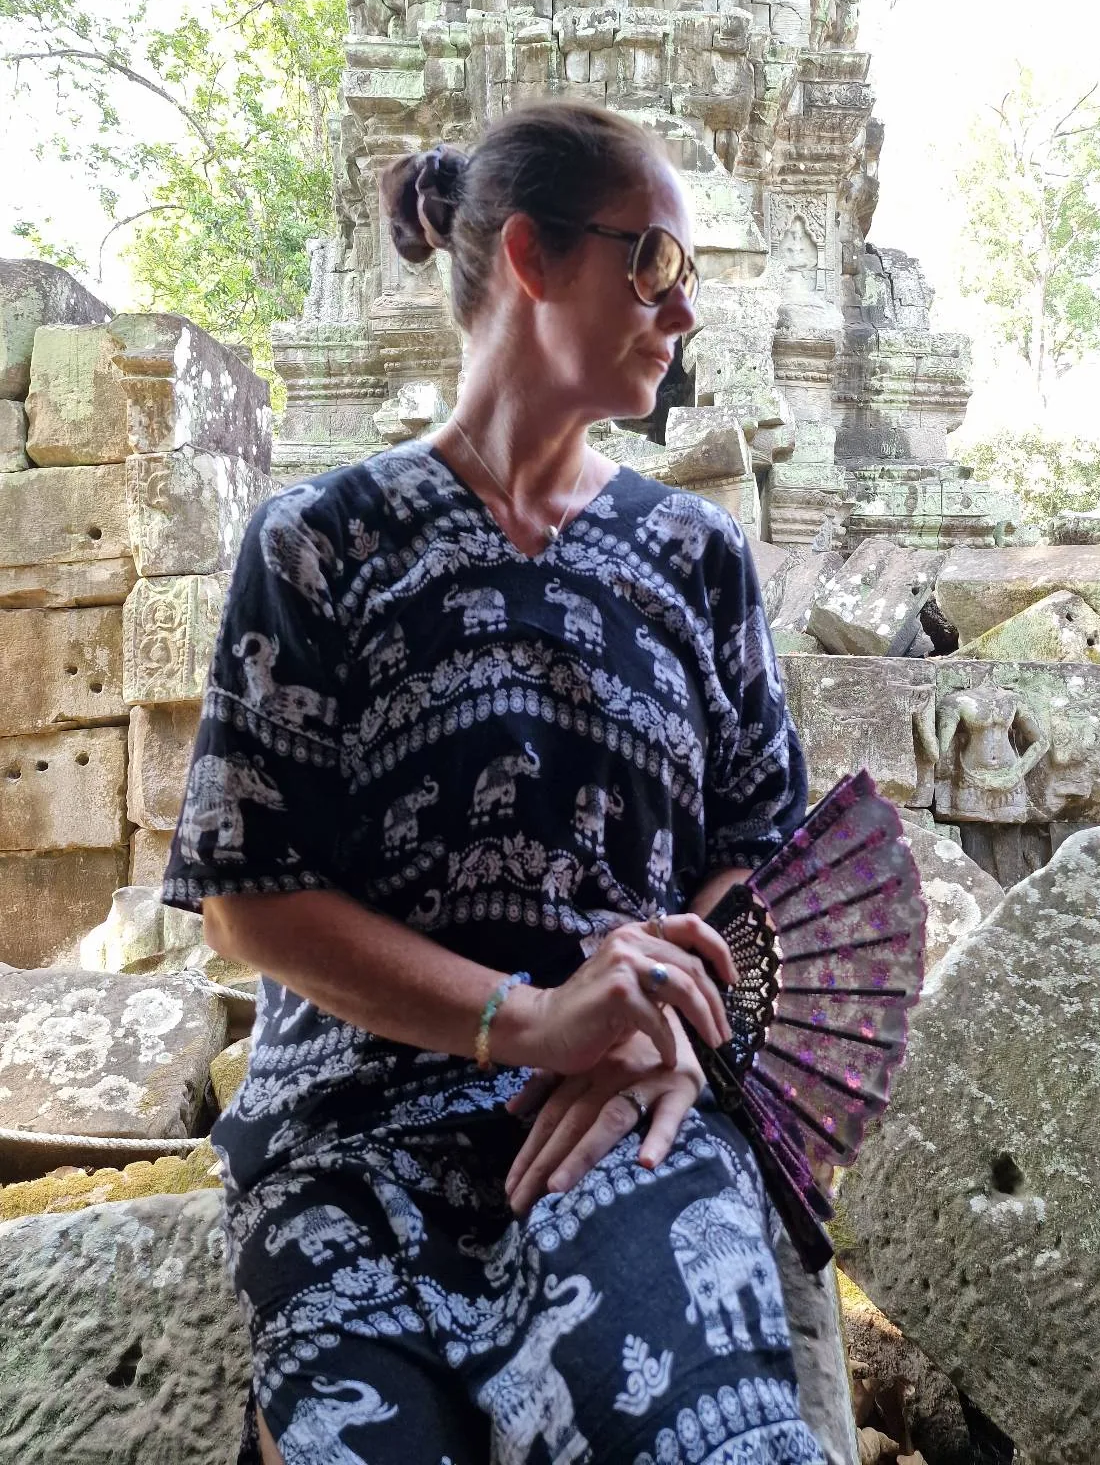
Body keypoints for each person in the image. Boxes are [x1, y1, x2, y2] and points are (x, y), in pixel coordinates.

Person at [164, 99, 823, 1465]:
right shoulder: (317, 547)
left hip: (620, 1124)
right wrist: (526, 1021)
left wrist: (673, 1034)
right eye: (654, 262)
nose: (683, 312)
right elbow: (252, 899)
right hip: (350, 1144)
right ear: (529, 256)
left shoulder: (697, 561)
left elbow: (762, 866)